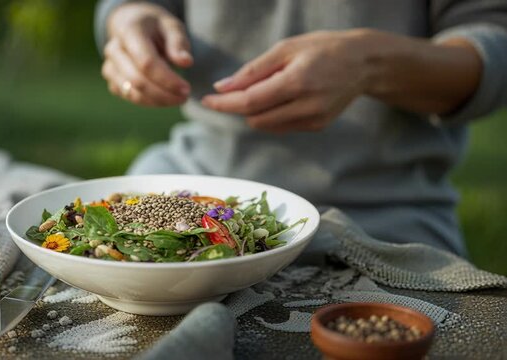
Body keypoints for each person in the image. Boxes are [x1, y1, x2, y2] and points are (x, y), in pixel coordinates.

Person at [94, 0, 507, 257]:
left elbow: (494, 48)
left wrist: (371, 64)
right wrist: (127, 16)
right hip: (186, 185)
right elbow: (132, 7)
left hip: (386, 218)